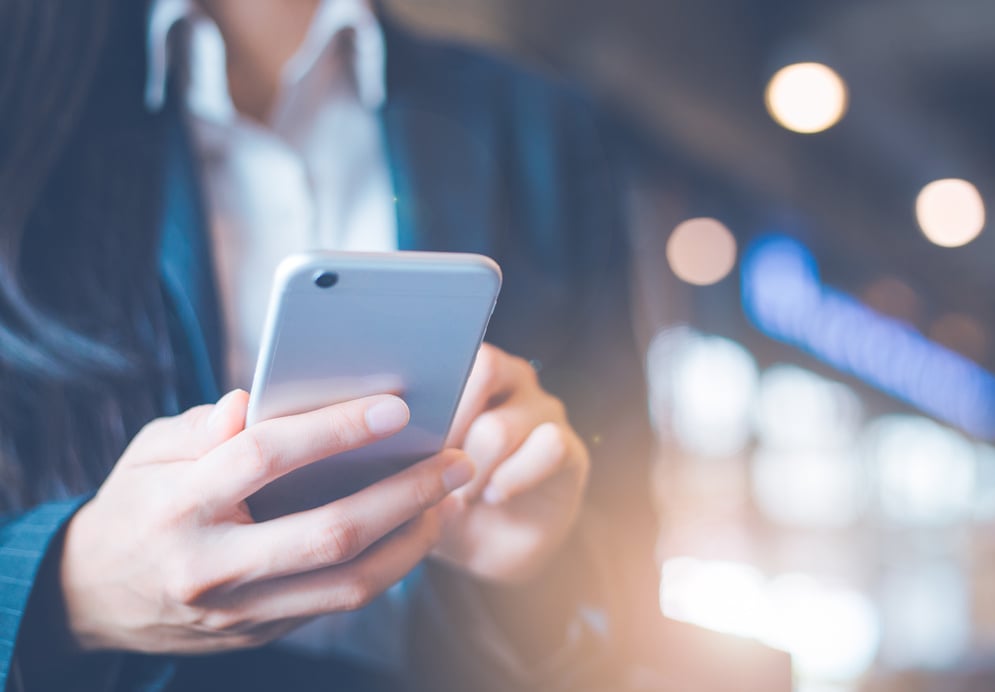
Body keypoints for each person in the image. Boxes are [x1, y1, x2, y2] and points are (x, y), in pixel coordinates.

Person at [0, 0, 656, 690]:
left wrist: (537, 568)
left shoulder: (542, 128)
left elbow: (628, 540)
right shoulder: (26, 81)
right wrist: (70, 588)